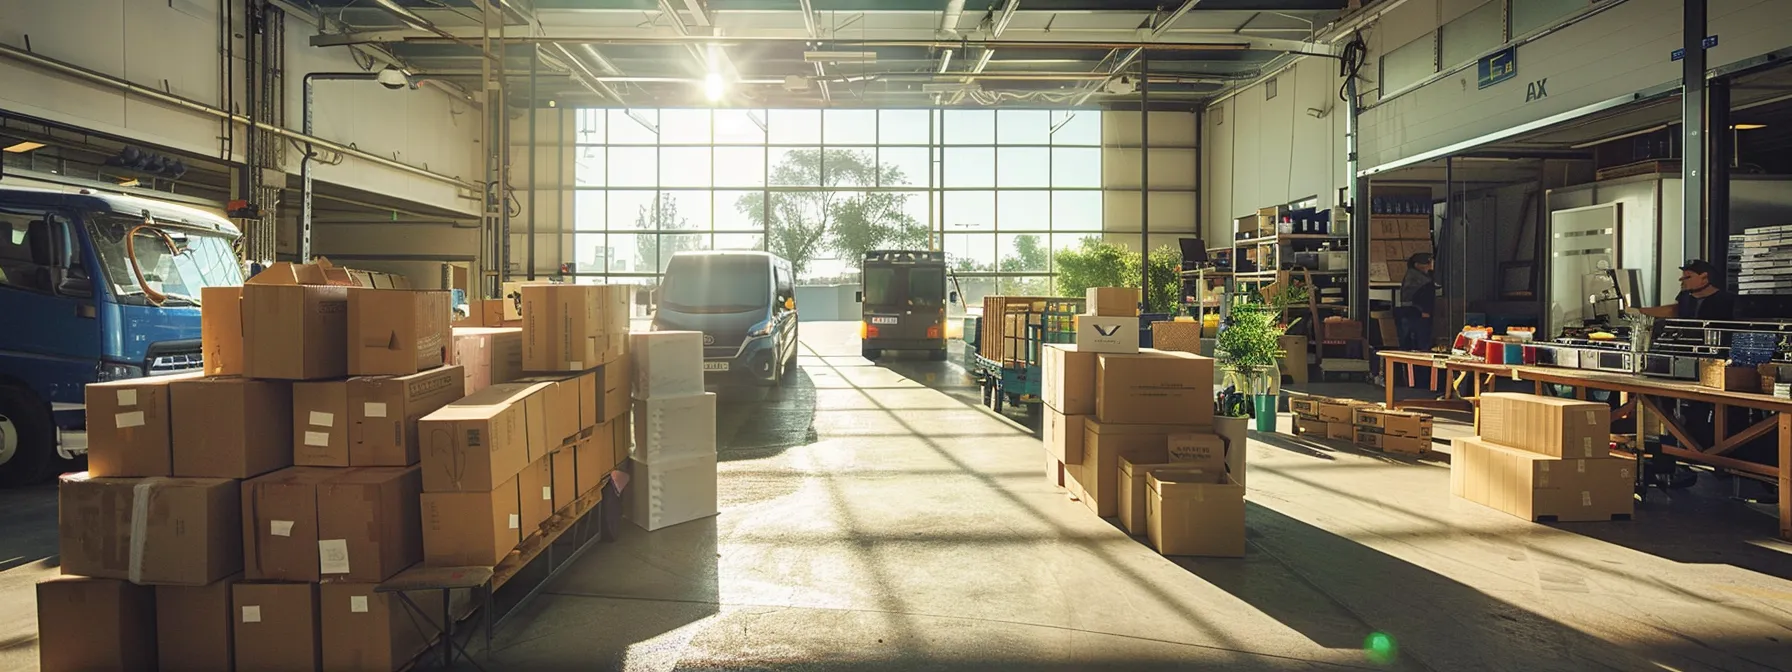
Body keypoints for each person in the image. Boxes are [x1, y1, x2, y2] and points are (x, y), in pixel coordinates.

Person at [1635, 259, 1734, 320]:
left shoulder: (1725, 301)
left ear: (1704, 278)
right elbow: (1673, 310)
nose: (1681, 280)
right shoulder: (1685, 297)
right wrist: (1639, 312)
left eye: (1687, 277)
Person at [1395, 252, 1438, 351]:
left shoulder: (1415, 276)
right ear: (1417, 265)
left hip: (1414, 314)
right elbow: (1423, 296)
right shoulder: (1419, 279)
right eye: (1427, 262)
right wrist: (1423, 311)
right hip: (1417, 315)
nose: (1430, 265)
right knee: (1419, 344)